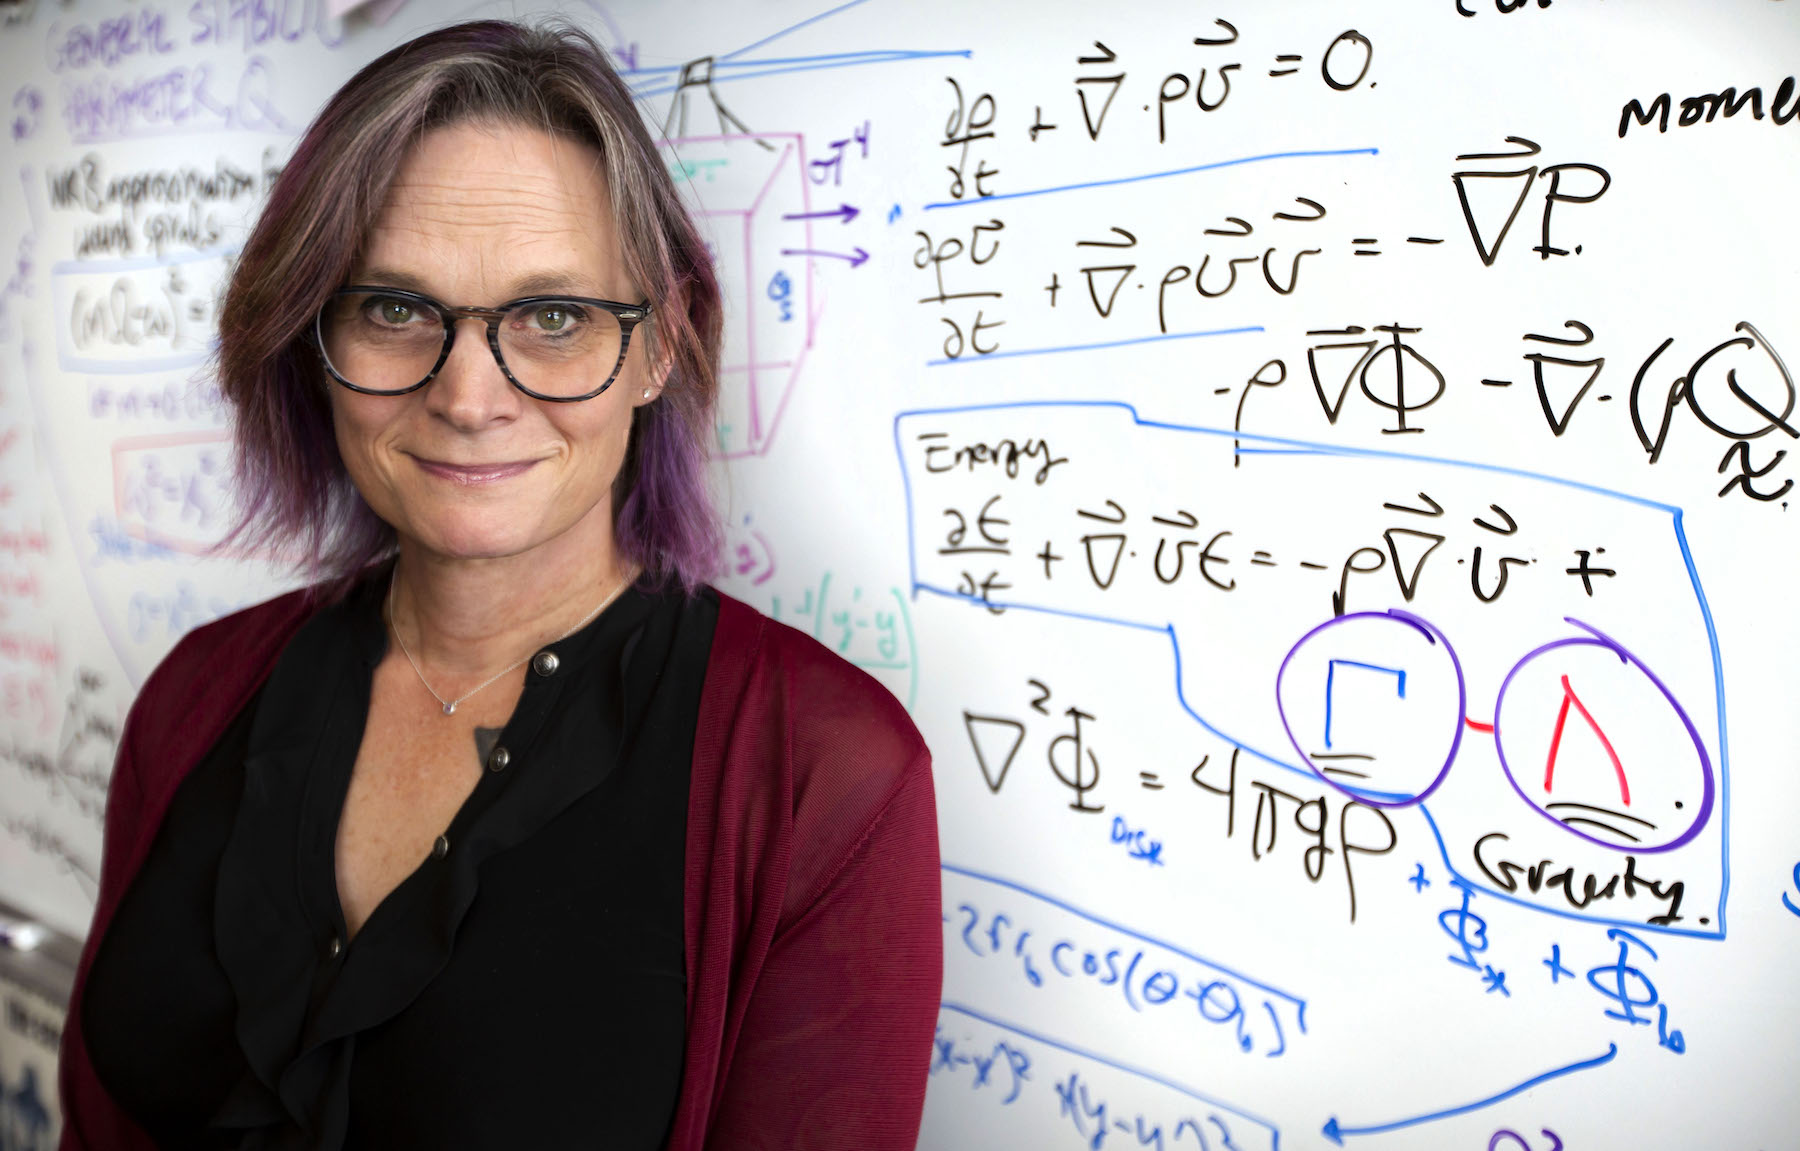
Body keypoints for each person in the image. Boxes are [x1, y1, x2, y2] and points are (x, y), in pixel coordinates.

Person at [57, 19, 941, 1150]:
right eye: (393, 308)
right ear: (308, 331)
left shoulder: (823, 775)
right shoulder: (196, 694)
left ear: (661, 342)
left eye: (555, 317)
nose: (471, 398)